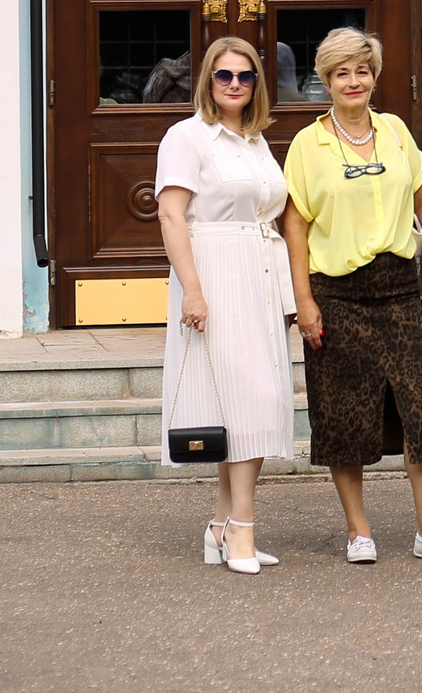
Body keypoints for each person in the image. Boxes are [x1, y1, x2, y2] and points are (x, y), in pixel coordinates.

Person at [282, 29, 422, 566]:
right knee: (344, 414)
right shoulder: (307, 144)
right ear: (325, 80)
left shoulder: (393, 131)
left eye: (361, 71)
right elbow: (294, 225)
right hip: (336, 295)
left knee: (419, 412)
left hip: (397, 290)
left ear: (374, 75)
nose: (353, 81)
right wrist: (304, 301)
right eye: (342, 72)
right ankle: (358, 530)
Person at [154, 36, 297, 576]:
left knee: (252, 403)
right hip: (213, 270)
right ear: (207, 81)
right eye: (224, 76)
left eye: (245, 76)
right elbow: (171, 215)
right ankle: (241, 529)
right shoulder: (186, 137)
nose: (234, 84)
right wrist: (192, 288)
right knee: (244, 401)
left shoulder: (256, 140)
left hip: (258, 269)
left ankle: (223, 524)